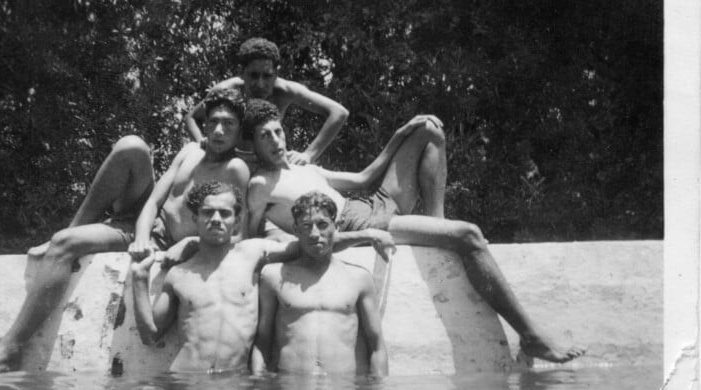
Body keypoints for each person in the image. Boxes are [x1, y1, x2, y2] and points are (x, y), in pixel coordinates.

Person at [245, 99, 585, 364]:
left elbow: (365, 178)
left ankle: (437, 222)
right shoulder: (261, 183)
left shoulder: (304, 165)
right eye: (264, 136)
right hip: (358, 224)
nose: (275, 140)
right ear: (254, 145)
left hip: (368, 202)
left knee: (429, 130)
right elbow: (251, 238)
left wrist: (402, 132)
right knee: (469, 235)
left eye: (278, 131)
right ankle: (530, 335)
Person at [0, 89, 250, 372]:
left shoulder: (236, 168)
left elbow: (237, 234)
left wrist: (189, 243)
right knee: (131, 146)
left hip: (168, 242)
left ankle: (9, 350)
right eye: (212, 122)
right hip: (141, 225)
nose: (218, 130)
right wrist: (141, 237)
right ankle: (10, 347)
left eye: (229, 124)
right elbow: (153, 202)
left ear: (239, 132)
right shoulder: (190, 151)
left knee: (64, 244)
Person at [131, 181, 394, 374]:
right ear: (194, 218)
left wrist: (367, 234)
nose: (215, 219)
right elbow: (151, 336)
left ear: (237, 220)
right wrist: (140, 280)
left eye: (224, 213)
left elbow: (312, 243)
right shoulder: (179, 274)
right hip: (184, 379)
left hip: (236, 383)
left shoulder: (254, 254)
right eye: (207, 213)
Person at [255, 191, 389, 377]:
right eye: (306, 225)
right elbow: (262, 343)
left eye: (322, 225)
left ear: (337, 226)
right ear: (295, 229)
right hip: (289, 389)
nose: (314, 233)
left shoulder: (359, 278)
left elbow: (377, 347)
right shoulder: (274, 276)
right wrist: (258, 387)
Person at [184, 37, 352, 167]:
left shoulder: (286, 91)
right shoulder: (227, 90)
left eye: (267, 75)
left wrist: (309, 155)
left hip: (270, 163)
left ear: (277, 73)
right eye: (253, 75)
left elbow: (339, 112)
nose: (260, 84)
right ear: (242, 73)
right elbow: (192, 117)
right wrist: (201, 142)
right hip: (232, 162)